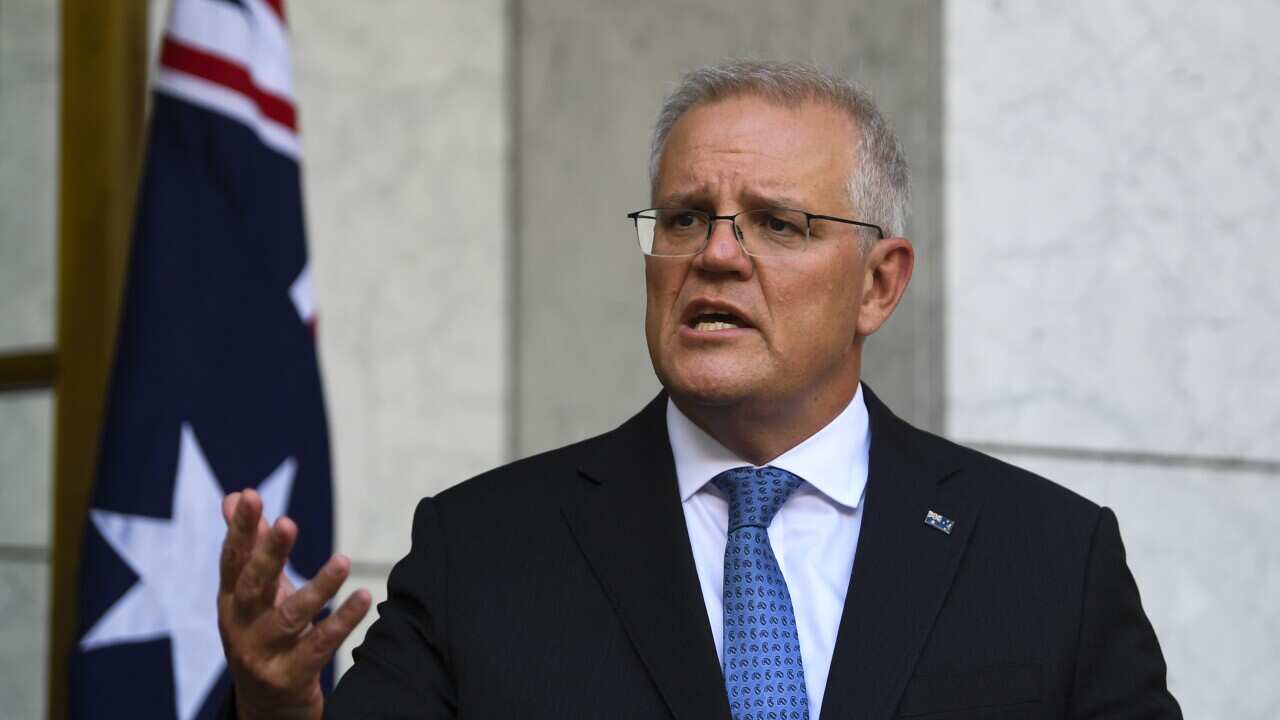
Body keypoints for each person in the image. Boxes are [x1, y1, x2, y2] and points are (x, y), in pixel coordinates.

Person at [217, 60, 1183, 719]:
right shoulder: (483, 552)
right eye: (685, 218)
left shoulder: (1048, 560)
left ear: (879, 283)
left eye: (776, 223)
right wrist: (276, 709)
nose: (716, 254)